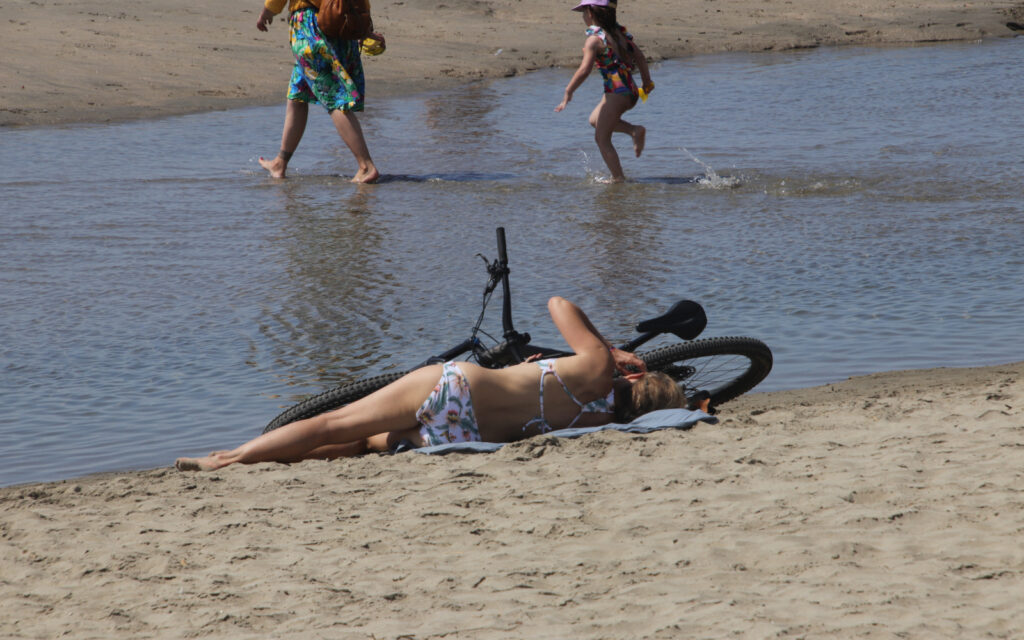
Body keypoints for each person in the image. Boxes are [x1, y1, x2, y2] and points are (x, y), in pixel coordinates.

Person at [175, 297, 687, 472]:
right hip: (458, 436)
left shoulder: (599, 366)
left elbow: (559, 304)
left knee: (330, 421)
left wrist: (608, 348)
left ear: (635, 374)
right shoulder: (603, 420)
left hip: (457, 390)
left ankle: (227, 459)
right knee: (357, 444)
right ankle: (261, 462)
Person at [255, 0, 380, 183]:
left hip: (311, 27)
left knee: (334, 97)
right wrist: (364, 25)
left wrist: (267, 12)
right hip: (342, 21)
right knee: (298, 92)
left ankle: (366, 166)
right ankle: (280, 163)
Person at [554, 0, 653, 183]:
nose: (583, 17)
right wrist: (647, 83)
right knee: (595, 120)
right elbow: (639, 56)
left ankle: (618, 179)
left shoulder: (594, 40)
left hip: (616, 94)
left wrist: (569, 92)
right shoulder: (619, 34)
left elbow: (584, 70)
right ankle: (633, 130)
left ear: (591, 13)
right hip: (630, 91)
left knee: (601, 138)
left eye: (584, 12)